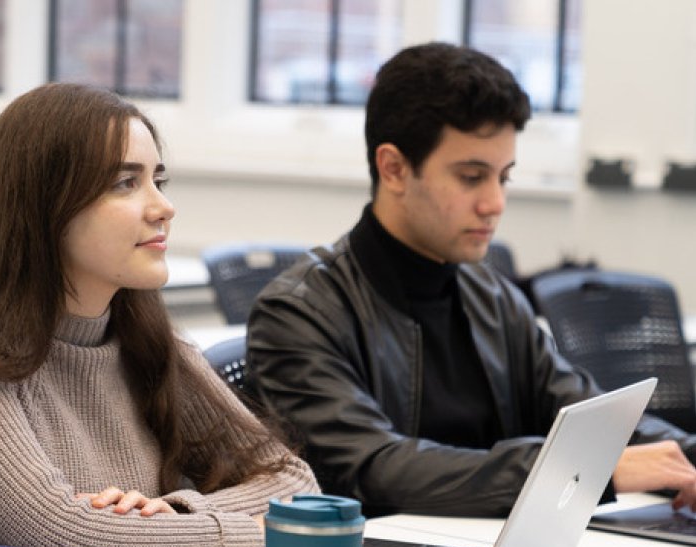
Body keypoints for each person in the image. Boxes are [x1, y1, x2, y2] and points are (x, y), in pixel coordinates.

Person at [0, 82, 319, 547]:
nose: (162, 207)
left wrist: (181, 512)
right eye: (124, 183)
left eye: (158, 180)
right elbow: (63, 536)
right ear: (44, 207)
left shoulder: (149, 338)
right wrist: (262, 534)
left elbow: (296, 483)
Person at [248, 42, 696, 518]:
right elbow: (374, 467)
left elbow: (594, 420)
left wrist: (685, 456)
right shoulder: (297, 314)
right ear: (394, 169)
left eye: (503, 177)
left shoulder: (493, 296)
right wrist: (583, 470)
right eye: (470, 177)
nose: (494, 202)